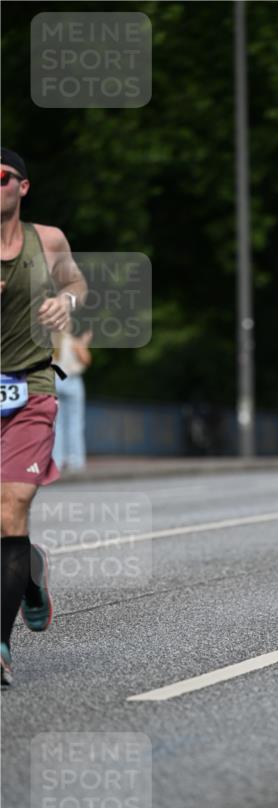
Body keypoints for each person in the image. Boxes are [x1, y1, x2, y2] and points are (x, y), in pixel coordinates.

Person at [0, 148, 87, 686]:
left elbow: (75, 283)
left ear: (22, 187)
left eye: (1, 177)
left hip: (30, 389)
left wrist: (66, 305)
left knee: (11, 508)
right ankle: (29, 573)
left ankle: (1, 645)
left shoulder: (47, 239)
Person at [52, 325, 93, 472]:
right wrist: (84, 343)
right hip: (72, 380)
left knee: (57, 423)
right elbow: (86, 360)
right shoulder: (72, 341)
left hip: (55, 381)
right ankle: (75, 460)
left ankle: (57, 459)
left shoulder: (50, 341)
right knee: (75, 422)